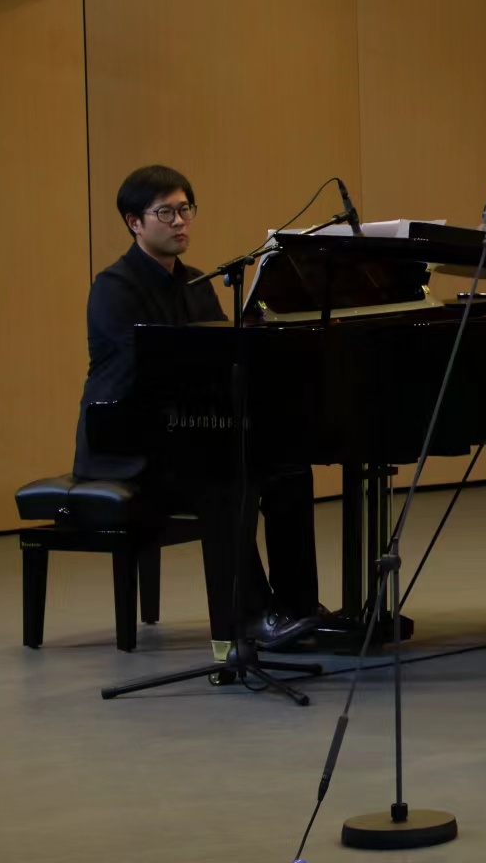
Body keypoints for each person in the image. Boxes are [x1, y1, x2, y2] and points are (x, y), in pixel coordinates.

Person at [74, 164, 322, 656]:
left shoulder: (196, 283)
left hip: (187, 433)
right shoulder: (114, 286)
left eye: (185, 209)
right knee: (227, 481)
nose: (180, 221)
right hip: (126, 445)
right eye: (165, 212)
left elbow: (222, 362)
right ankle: (248, 617)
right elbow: (147, 372)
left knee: (290, 470)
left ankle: (296, 607)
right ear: (134, 223)